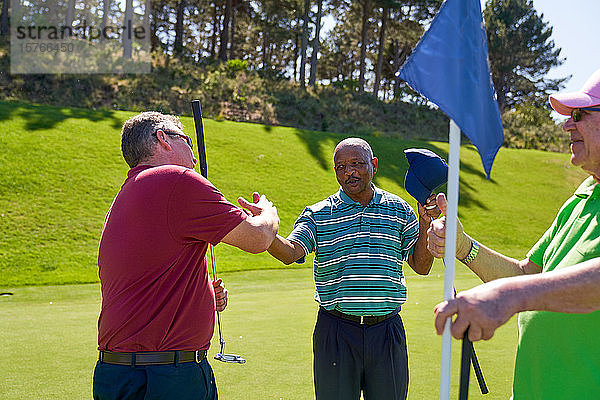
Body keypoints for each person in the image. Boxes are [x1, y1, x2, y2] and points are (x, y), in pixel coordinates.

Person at [428, 68, 600, 399]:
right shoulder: (583, 196)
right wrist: (464, 247)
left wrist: (511, 296)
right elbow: (525, 273)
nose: (566, 125)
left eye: (579, 115)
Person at [93, 112, 279, 400]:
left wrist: (202, 297)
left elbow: (150, 278)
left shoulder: (129, 191)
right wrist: (268, 213)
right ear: (162, 139)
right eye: (187, 141)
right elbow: (258, 239)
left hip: (118, 372)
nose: (194, 158)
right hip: (168, 375)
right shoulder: (176, 179)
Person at [267, 137, 439, 400]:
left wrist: (426, 222)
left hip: (386, 332)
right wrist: (263, 233)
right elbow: (290, 252)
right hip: (336, 333)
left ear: (374, 165)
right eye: (341, 167)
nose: (349, 172)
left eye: (357, 164)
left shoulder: (399, 209)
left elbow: (421, 265)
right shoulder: (319, 213)